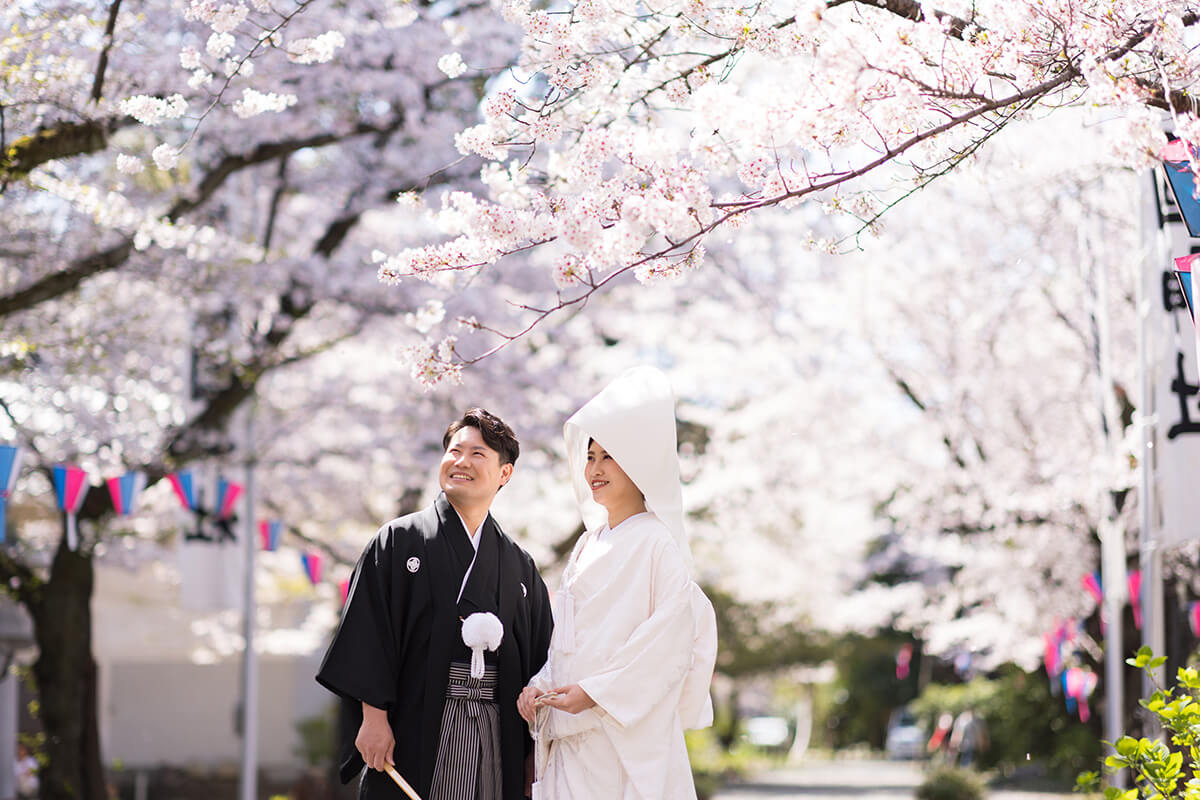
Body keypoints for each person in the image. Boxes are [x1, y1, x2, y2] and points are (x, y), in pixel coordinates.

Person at [316, 408, 554, 800]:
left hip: (495, 730)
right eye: (454, 451)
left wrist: (532, 753)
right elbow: (369, 634)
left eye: (478, 454)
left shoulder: (519, 565)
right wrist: (373, 719)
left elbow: (539, 662)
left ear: (505, 473)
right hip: (416, 723)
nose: (460, 462)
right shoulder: (397, 541)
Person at [517, 366, 718, 800]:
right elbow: (564, 638)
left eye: (609, 456)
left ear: (639, 464)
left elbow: (670, 639)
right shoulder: (587, 545)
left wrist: (594, 692)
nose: (595, 468)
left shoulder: (656, 542)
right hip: (571, 734)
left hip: (621, 735)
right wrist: (541, 683)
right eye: (590, 457)